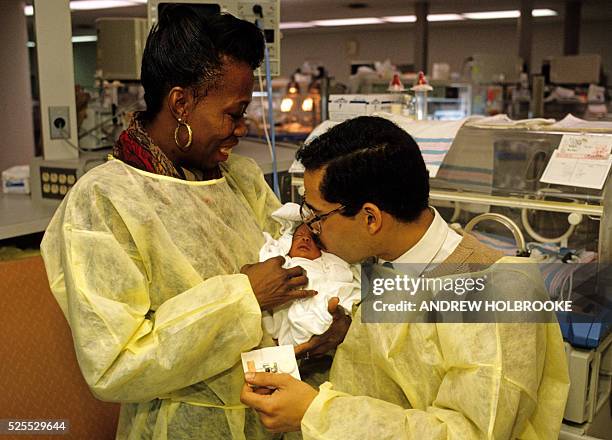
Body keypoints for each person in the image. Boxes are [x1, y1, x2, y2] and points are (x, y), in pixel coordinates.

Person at [40, 6, 349, 439]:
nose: (242, 128)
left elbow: (288, 277)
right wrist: (243, 296)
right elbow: (114, 365)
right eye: (233, 113)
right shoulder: (104, 202)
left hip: (271, 417)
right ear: (181, 102)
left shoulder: (238, 178)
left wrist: (313, 337)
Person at [241, 116, 570, 439]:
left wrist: (318, 414)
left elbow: (469, 432)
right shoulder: (375, 260)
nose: (310, 228)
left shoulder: (495, 296)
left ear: (370, 218)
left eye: (317, 216)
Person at [259, 210, 360, 346]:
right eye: (299, 236)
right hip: (293, 312)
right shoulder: (284, 261)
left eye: (313, 239)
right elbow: (267, 266)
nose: (306, 239)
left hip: (327, 308)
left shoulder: (327, 263)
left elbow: (345, 280)